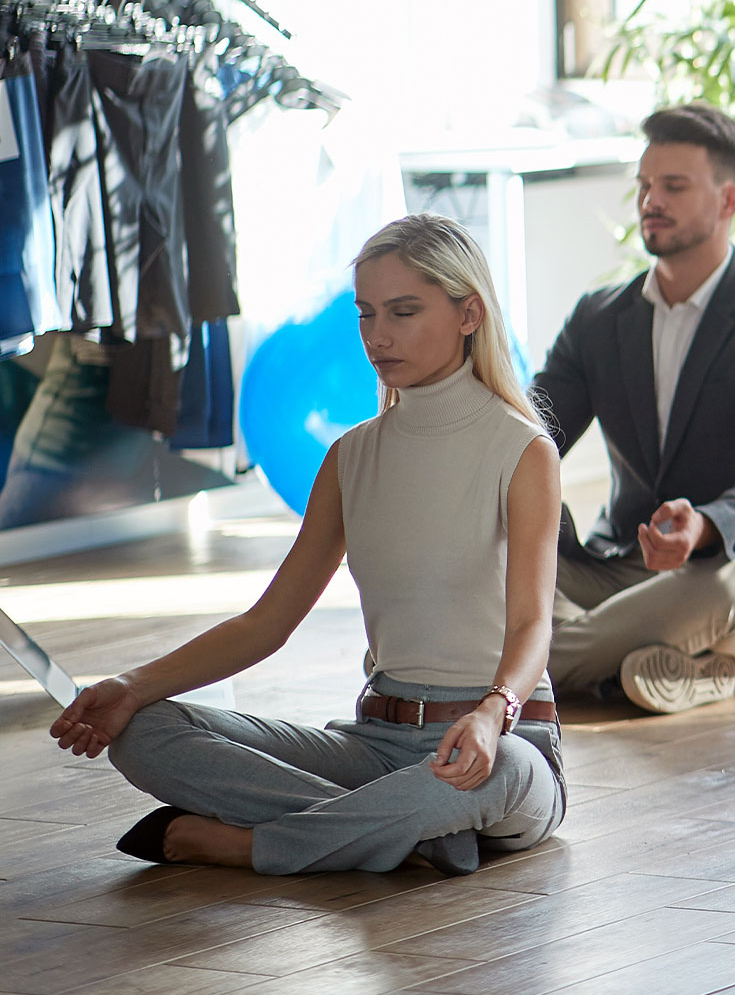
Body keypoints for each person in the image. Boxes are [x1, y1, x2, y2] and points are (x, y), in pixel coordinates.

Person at [48, 214, 564, 876]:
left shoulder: (524, 451)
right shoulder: (351, 458)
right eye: (367, 314)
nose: (378, 337)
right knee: (142, 732)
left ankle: (262, 845)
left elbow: (531, 623)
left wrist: (495, 715)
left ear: (469, 314)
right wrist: (131, 685)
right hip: (375, 749)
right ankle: (411, 836)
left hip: (503, 741)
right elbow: (267, 623)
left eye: (403, 313)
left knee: (510, 774)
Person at [533, 103, 735, 714]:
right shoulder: (600, 319)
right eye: (646, 186)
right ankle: (670, 671)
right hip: (623, 572)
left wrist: (705, 526)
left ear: (730, 201)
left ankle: (511, 671)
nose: (652, 200)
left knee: (729, 578)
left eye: (674, 186)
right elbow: (530, 435)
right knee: (503, 548)